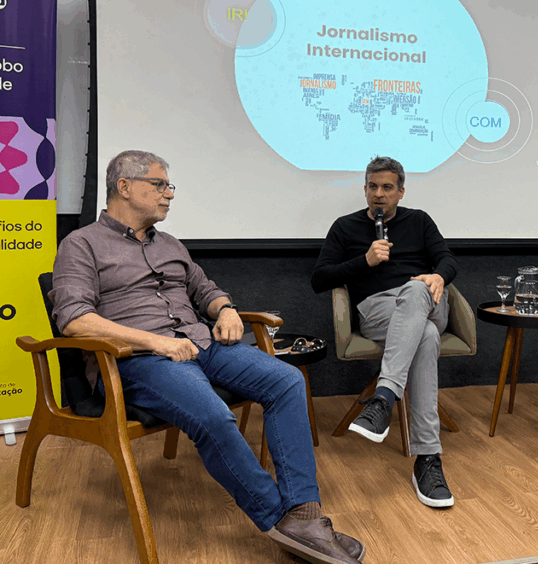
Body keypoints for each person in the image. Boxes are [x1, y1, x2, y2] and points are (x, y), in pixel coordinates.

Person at [50, 150, 365, 564]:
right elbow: (74, 320)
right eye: (160, 185)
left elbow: (205, 288)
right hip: (141, 360)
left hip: (202, 344)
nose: (169, 195)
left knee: (288, 381)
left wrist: (226, 309)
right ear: (124, 187)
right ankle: (279, 521)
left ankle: (305, 513)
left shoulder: (171, 245)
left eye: (169, 186)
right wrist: (155, 342)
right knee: (214, 415)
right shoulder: (81, 244)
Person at [311, 156, 458, 508]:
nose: (379, 194)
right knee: (424, 336)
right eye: (373, 187)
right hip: (379, 311)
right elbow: (319, 278)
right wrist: (365, 261)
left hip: (425, 300)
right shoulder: (345, 228)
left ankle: (384, 398)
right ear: (364, 190)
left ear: (401, 191)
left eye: (387, 188)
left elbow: (448, 260)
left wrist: (439, 276)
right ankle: (427, 459)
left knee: (416, 290)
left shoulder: (419, 220)